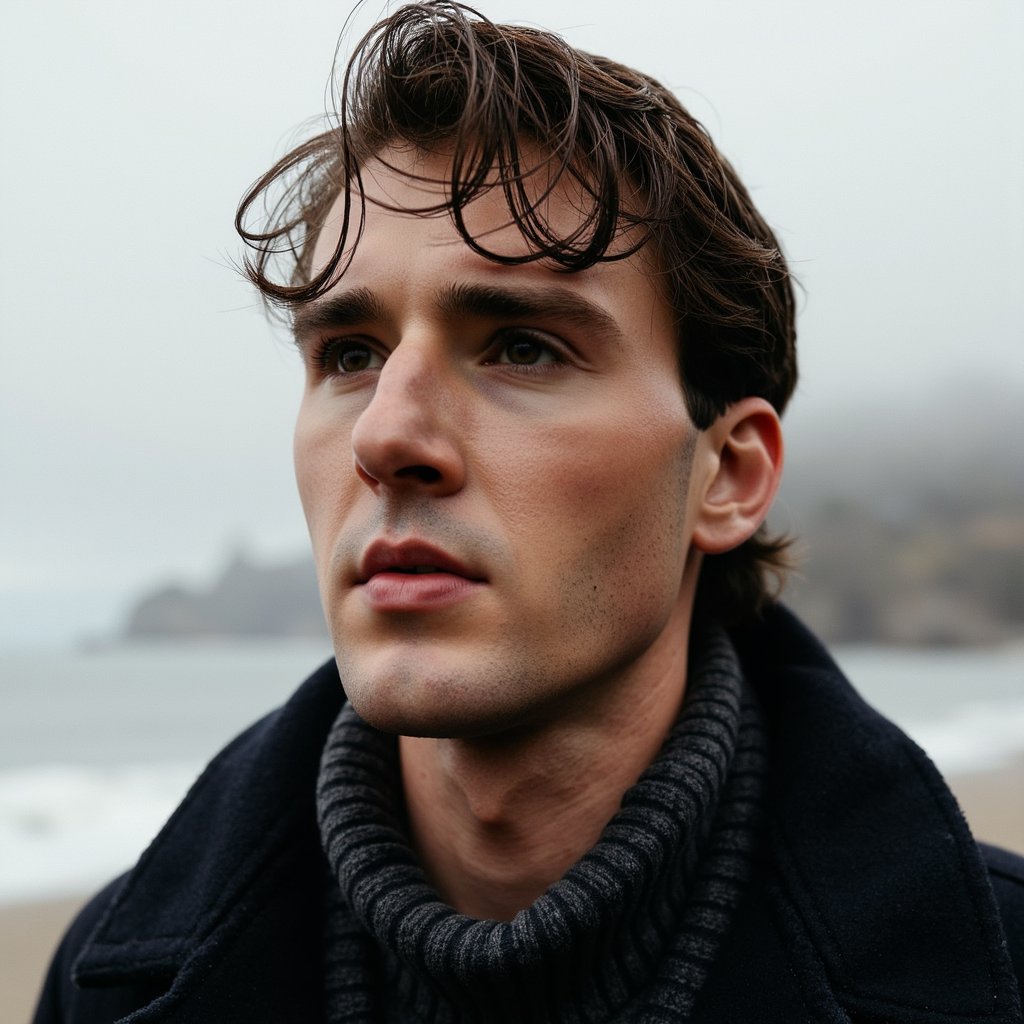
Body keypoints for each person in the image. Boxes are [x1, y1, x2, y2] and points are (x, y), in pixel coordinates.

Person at [34, 3, 1024, 1022]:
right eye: (350, 354)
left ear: (726, 474)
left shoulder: (993, 971)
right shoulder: (112, 977)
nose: (385, 436)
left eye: (521, 347)